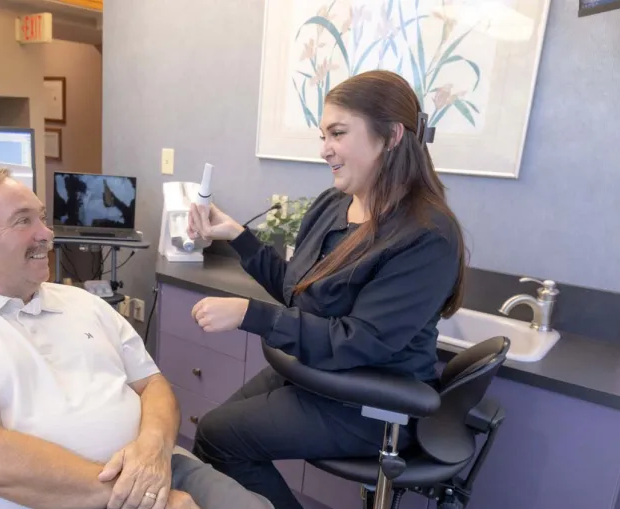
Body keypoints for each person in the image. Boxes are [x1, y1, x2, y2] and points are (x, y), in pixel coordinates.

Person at [0, 169, 272, 509]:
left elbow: (153, 385)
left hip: (159, 469)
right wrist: (144, 497)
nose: (47, 233)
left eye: (41, 217)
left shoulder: (84, 302)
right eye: (22, 222)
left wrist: (154, 449)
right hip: (58, 498)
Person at [185, 70, 467, 509]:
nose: (324, 149)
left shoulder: (426, 235)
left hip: (367, 399)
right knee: (213, 438)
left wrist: (249, 314)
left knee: (220, 438)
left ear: (391, 136)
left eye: (337, 133)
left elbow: (359, 340)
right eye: (323, 135)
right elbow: (298, 292)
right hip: (315, 373)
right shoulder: (333, 205)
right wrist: (237, 236)